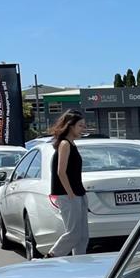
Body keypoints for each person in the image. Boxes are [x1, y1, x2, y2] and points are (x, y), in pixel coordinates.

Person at [47, 109, 88, 257]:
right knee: (73, 233)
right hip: (68, 195)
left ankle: (80, 264)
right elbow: (61, 172)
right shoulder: (65, 144)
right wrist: (71, 193)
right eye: (80, 126)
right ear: (71, 126)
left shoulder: (72, 144)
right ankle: (51, 257)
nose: (83, 129)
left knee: (83, 236)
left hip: (79, 193)